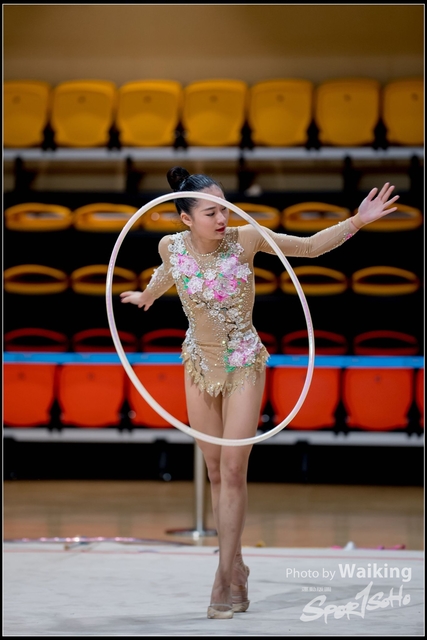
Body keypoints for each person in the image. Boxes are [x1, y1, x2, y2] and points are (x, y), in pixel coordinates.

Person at [120, 167, 399, 619]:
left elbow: (308, 247)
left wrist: (358, 221)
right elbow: (169, 271)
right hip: (199, 364)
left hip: (243, 362)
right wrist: (149, 295)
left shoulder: (246, 239)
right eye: (211, 212)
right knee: (214, 470)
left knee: (233, 469)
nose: (222, 218)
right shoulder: (169, 245)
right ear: (186, 218)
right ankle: (238, 566)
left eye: (224, 208)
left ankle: (222, 576)